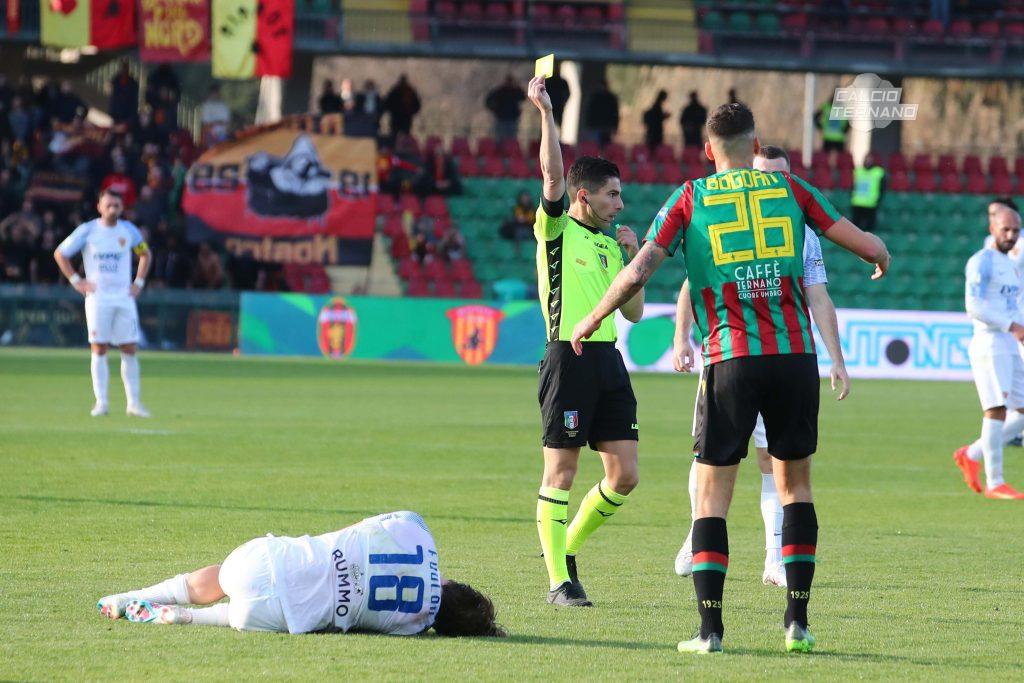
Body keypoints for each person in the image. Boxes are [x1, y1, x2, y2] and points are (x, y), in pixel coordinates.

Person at [569, 102, 890, 653]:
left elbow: (639, 269)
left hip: (729, 360)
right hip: (792, 359)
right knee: (797, 490)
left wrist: (594, 316)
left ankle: (710, 630)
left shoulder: (689, 197)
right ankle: (797, 624)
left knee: (711, 498)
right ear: (756, 142)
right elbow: (861, 241)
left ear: (708, 150)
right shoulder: (793, 190)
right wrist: (878, 254)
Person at [671, 145, 851, 588]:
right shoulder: (720, 215)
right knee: (709, 457)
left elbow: (818, 294)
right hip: (727, 354)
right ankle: (698, 536)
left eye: (779, 175)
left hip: (780, 356)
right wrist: (681, 338)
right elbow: (692, 282)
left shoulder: (802, 232)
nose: (770, 180)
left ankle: (774, 559)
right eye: (763, 172)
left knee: (775, 463)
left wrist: (837, 359)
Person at [527, 75, 645, 608]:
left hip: (608, 361)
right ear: (584, 196)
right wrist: (548, 114)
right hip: (566, 358)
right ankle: (558, 581)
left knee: (624, 475)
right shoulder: (557, 231)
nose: (620, 204)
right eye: (612, 195)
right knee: (563, 471)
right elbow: (551, 171)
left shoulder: (608, 244)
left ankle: (565, 550)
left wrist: (633, 254)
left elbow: (636, 314)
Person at [96, 510, 507, 638]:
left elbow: (379, 521)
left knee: (216, 579)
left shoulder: (420, 534)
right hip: (281, 617)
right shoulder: (413, 627)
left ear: (457, 584)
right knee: (233, 615)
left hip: (273, 562)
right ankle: (192, 619)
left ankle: (136, 594)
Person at [53, 189, 152, 418]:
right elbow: (61, 253)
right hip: (98, 299)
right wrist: (76, 280)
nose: (112, 209)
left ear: (121, 207)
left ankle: (134, 404)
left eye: (116, 205)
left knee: (129, 348)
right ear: (99, 206)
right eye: (108, 205)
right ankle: (102, 402)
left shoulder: (129, 231)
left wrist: (139, 282)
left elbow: (145, 254)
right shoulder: (88, 231)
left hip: (124, 299)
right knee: (99, 348)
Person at [953, 204, 1024, 499]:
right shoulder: (981, 261)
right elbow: (975, 306)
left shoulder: (1009, 262)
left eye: (1015, 231)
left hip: (1008, 342)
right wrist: (1012, 326)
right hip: (989, 342)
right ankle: (995, 483)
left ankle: (971, 453)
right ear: (992, 228)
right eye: (1005, 229)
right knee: (996, 409)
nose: (1010, 235)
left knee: (1021, 412)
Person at [485, 75, 527, 142]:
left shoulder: (515, 91)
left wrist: (517, 86)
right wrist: (495, 109)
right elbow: (488, 101)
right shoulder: (500, 91)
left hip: (513, 119)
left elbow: (523, 97)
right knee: (500, 139)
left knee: (512, 139)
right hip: (501, 119)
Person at [850, 153, 885, 232]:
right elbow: (852, 186)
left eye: (870, 159)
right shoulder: (857, 171)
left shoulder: (878, 172)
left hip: (871, 204)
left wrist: (878, 200)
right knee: (855, 230)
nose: (868, 161)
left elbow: (883, 188)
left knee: (869, 230)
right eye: (866, 159)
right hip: (857, 203)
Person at [585, 81, 619, 145]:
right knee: (594, 146)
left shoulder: (611, 98)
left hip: (607, 127)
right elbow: (589, 112)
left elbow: (615, 114)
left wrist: (614, 126)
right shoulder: (594, 98)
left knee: (606, 146)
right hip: (596, 126)